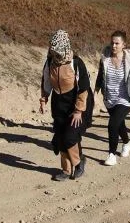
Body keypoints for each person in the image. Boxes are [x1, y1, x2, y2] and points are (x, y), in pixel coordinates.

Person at [39, 30, 94, 181]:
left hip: (76, 103)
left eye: (56, 50)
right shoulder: (50, 61)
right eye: (52, 49)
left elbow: (83, 89)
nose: (54, 53)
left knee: (70, 136)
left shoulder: (76, 63)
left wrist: (78, 110)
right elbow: (46, 82)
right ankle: (65, 169)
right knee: (60, 137)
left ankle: (78, 162)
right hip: (59, 103)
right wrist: (43, 100)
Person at [95, 31, 130, 166]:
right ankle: (127, 143)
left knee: (112, 124)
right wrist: (95, 92)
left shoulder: (129, 59)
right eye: (112, 42)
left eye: (117, 43)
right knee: (119, 123)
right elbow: (100, 76)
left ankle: (111, 154)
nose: (114, 45)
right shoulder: (105, 58)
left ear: (124, 45)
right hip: (110, 98)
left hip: (125, 98)